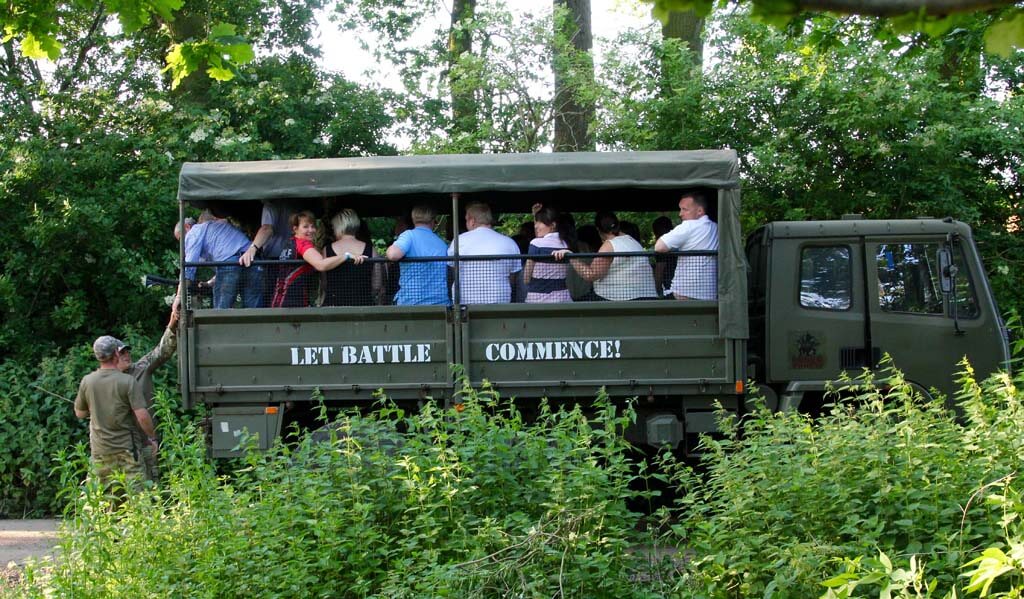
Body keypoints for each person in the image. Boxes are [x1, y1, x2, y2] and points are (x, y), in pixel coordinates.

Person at [75, 336, 158, 489]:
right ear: (116, 353)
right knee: (138, 500)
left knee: (103, 499)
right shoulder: (127, 381)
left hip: (100, 451)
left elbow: (80, 413)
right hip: (127, 451)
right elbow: (142, 416)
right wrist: (151, 437)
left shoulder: (87, 381)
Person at [117, 310, 179, 482]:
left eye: (127, 352)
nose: (127, 355)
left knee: (151, 483)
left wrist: (172, 325)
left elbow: (161, 352)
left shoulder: (140, 368)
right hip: (121, 445)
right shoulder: (103, 381)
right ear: (111, 357)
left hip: (146, 441)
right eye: (122, 353)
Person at [557, 211, 659, 301]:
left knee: (581, 303)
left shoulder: (609, 245)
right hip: (647, 297)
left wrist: (571, 257)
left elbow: (590, 275)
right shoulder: (633, 241)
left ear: (598, 229)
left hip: (618, 299)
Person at [274, 210, 362, 307]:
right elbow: (321, 265)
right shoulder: (303, 244)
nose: (311, 230)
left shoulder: (290, 243)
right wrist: (346, 255)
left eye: (313, 226)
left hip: (280, 299)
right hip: (293, 303)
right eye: (305, 227)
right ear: (295, 229)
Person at [183, 212, 263, 309]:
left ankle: (219, 323)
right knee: (253, 307)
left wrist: (180, 295)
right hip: (253, 259)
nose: (183, 244)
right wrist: (210, 282)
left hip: (232, 262)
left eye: (180, 238)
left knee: (221, 309)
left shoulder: (194, 232)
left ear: (187, 227)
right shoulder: (222, 232)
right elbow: (231, 260)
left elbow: (189, 266)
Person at [448, 201, 522, 304]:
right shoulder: (510, 243)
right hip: (500, 303)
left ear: (472, 221)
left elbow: (453, 272)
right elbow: (512, 278)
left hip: (466, 305)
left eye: (466, 220)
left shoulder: (459, 241)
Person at [654, 190, 719, 300]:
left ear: (699, 211)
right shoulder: (716, 228)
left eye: (685, 209)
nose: (680, 214)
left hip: (683, 294)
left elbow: (659, 247)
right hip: (709, 295)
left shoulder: (688, 225)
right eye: (680, 209)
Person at [386, 205, 450, 305]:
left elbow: (393, 255)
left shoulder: (408, 236)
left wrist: (390, 247)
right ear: (433, 221)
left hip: (411, 304)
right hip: (440, 304)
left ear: (413, 219)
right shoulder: (442, 244)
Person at [323, 209, 380, 306]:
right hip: (363, 303)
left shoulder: (327, 249)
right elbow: (377, 284)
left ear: (338, 227)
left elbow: (324, 282)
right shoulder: (371, 249)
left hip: (333, 305)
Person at [523, 205, 575, 303]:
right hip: (562, 300)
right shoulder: (565, 244)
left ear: (553, 225)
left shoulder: (536, 244)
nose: (535, 226)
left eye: (539, 222)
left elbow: (526, 278)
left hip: (537, 300)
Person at [651, 216, 677, 298]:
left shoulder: (662, 247)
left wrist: (658, 291)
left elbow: (659, 271)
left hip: (669, 288)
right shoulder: (677, 242)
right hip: (682, 286)